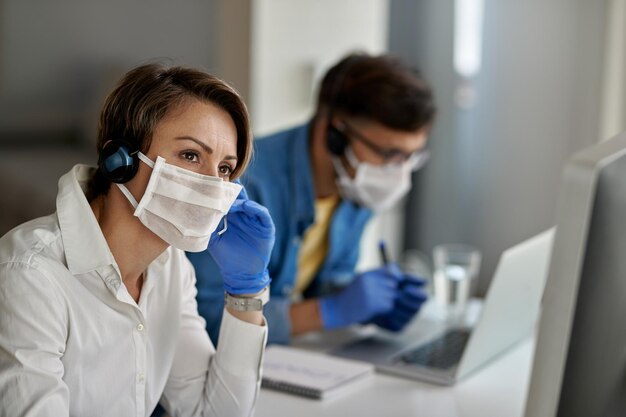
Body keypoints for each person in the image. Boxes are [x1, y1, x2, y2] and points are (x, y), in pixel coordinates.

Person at [0, 63, 275, 416]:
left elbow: (213, 412)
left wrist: (246, 294)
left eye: (224, 168)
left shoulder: (173, 267)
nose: (214, 185)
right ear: (120, 161)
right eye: (191, 155)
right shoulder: (30, 276)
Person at [189, 52, 436, 345]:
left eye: (410, 158)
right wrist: (329, 310)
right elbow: (209, 320)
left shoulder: (356, 187)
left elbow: (325, 285)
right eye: (390, 155)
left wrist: (372, 303)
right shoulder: (243, 184)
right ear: (335, 132)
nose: (399, 173)